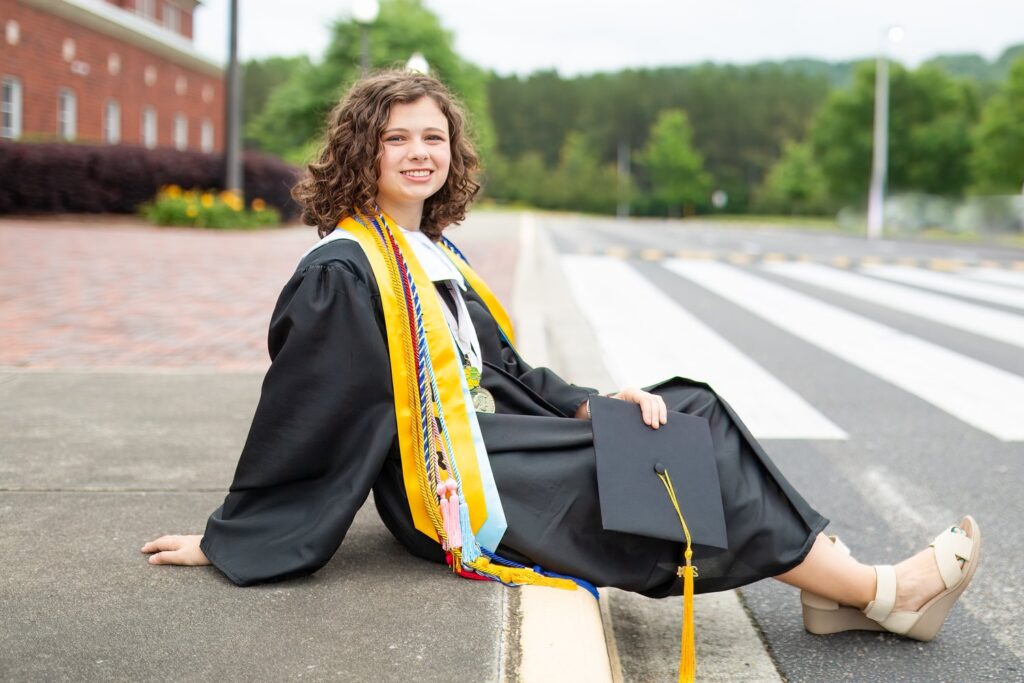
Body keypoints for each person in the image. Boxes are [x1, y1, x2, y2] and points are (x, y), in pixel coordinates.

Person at [142, 71, 980, 650]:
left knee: (686, 410)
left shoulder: (434, 253)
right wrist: (234, 535)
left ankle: (840, 594)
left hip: (486, 445)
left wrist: (594, 402)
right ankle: (878, 593)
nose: (418, 152)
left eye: (432, 136)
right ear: (363, 152)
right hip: (446, 487)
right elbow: (304, 412)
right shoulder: (344, 270)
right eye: (396, 138)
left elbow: (509, 374)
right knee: (656, 463)